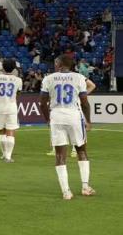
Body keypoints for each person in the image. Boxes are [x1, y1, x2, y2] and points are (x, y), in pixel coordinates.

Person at [39, 54, 96, 200]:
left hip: (56, 116)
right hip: (74, 116)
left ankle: (66, 192)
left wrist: (48, 119)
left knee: (60, 155)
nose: (54, 64)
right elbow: (84, 102)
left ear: (59, 64)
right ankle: (85, 186)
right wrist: (88, 120)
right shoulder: (79, 77)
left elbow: (42, 103)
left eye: (55, 62)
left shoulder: (48, 78)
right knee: (81, 150)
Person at [0, 59, 22, 163]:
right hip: (11, 106)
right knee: (10, 131)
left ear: (3, 67)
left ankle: (4, 154)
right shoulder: (18, 80)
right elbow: (18, 93)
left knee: (1, 131)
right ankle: (8, 156)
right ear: (14, 68)